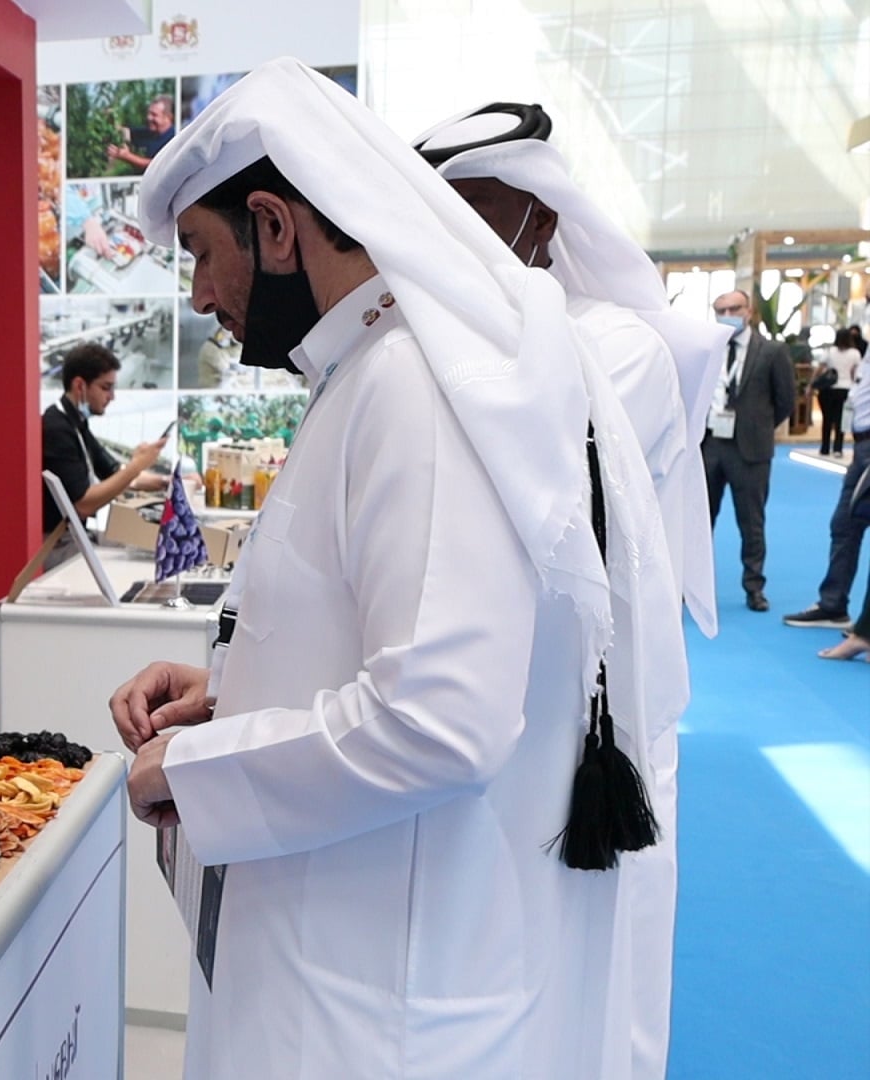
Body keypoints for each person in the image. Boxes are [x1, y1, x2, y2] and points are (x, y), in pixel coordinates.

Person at [113, 58, 685, 1079]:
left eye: (200, 254)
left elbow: (438, 720)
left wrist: (193, 771)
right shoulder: (372, 368)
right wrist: (236, 691)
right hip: (344, 961)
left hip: (373, 1007)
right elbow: (397, 635)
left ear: (274, 227)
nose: (199, 296)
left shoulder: (413, 384)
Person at [414, 102, 728, 642]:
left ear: (542, 220)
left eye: (472, 212)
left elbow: (537, 508)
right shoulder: (433, 335)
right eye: (439, 219)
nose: (455, 237)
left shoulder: (620, 348)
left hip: (580, 660)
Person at [702, 290, 796, 611]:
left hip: (750, 450)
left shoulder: (772, 351)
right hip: (710, 445)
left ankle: (754, 587)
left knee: (751, 523)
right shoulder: (708, 348)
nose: (727, 315)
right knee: (700, 520)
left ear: (749, 311)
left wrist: (758, 427)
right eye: (721, 310)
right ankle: (692, 586)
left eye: (734, 308)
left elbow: (785, 401)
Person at [785, 335, 870, 631]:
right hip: (861, 445)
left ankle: (860, 625)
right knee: (844, 524)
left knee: (847, 523)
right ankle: (833, 604)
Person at [40, 343, 167, 537]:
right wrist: (137, 465)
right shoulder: (57, 429)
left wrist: (167, 482)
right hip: (57, 543)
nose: (112, 397)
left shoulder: (77, 423)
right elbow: (83, 505)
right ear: (80, 386)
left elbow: (113, 472)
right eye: (105, 388)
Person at [814, 326, 861, 457]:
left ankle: (824, 447)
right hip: (845, 389)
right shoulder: (855, 353)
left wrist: (813, 383)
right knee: (841, 420)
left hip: (829, 389)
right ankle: (838, 448)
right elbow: (855, 373)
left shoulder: (829, 351)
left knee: (827, 419)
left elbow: (820, 368)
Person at [106, 94, 176, 173]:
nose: (148, 117)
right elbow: (125, 131)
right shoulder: (148, 133)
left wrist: (127, 156)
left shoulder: (174, 138)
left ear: (168, 117)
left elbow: (158, 165)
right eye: (148, 113)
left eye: (154, 115)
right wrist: (112, 119)